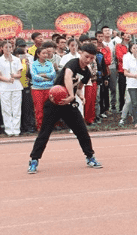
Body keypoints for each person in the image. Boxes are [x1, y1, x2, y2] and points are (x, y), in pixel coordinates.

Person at [27, 43, 102, 174]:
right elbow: (67, 77)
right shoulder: (73, 63)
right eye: (86, 56)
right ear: (80, 53)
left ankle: (90, 157)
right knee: (45, 132)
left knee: (82, 131)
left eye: (91, 58)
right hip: (54, 103)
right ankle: (34, 160)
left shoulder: (87, 72)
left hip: (68, 105)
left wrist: (80, 96)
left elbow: (79, 87)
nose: (88, 60)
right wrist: (71, 95)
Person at [0, 41, 23, 136]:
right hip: (4, 87)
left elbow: (19, 74)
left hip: (16, 87)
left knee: (16, 108)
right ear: (2, 48)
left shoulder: (16, 59)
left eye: (10, 47)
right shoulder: (0, 60)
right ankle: (9, 129)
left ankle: (16, 130)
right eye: (6, 47)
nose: (8, 49)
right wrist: (8, 79)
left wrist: (14, 76)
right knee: (6, 109)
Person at [30, 47, 56, 131]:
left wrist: (42, 75)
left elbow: (53, 75)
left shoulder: (50, 63)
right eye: (43, 53)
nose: (45, 55)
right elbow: (34, 76)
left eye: (46, 53)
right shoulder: (33, 64)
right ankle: (40, 127)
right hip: (37, 89)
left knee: (50, 108)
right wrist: (46, 77)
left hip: (49, 88)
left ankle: (49, 126)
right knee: (39, 108)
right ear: (38, 54)